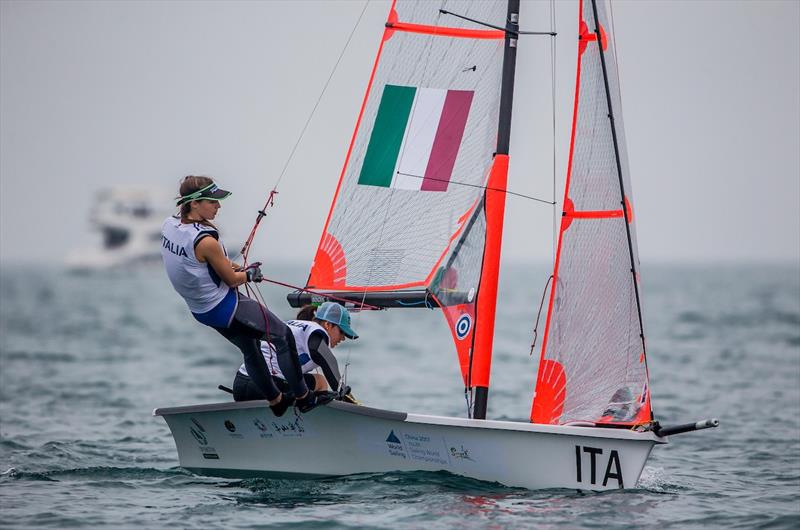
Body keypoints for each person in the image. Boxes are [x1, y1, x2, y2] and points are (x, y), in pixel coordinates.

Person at [160, 175, 321, 416]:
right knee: (282, 335)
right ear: (194, 203)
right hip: (224, 306)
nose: (218, 206)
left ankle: (276, 401)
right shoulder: (205, 241)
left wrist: (236, 269)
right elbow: (232, 280)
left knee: (251, 347)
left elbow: (200, 265)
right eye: (213, 202)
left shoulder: (170, 225)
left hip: (201, 311)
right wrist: (250, 274)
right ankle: (304, 397)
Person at [233, 302, 359, 404]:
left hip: (240, 385)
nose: (343, 338)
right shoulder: (317, 333)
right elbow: (329, 361)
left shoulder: (294, 325)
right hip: (266, 386)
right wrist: (348, 398)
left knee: (310, 384)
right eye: (342, 332)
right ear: (327, 324)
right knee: (320, 382)